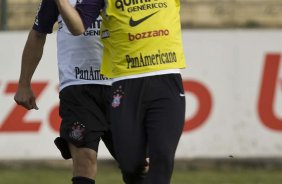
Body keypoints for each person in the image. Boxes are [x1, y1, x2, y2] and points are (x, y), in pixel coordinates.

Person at [13, 0, 148, 184]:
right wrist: (24, 84)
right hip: (77, 87)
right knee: (84, 160)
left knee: (138, 166)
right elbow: (38, 34)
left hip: (121, 84)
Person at [54, 0, 187, 183]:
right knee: (132, 164)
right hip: (125, 83)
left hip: (166, 77)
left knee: (162, 156)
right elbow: (78, 27)